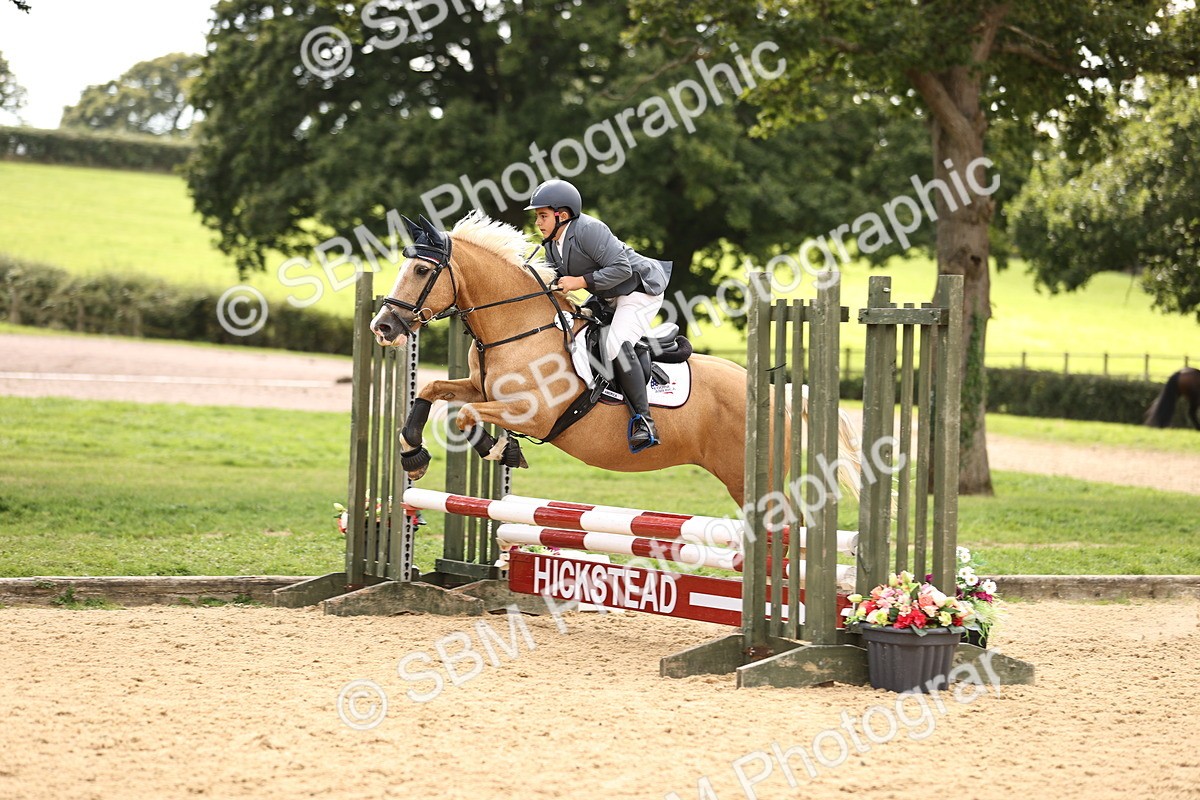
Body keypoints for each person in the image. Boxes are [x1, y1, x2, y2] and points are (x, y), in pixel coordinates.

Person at [525, 178, 672, 453]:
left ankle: (644, 421)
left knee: (615, 344)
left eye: (542, 216)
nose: (538, 222)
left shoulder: (589, 230)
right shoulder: (551, 243)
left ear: (563, 215)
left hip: (639, 290)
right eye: (537, 216)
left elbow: (622, 269)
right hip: (608, 295)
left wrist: (578, 281)